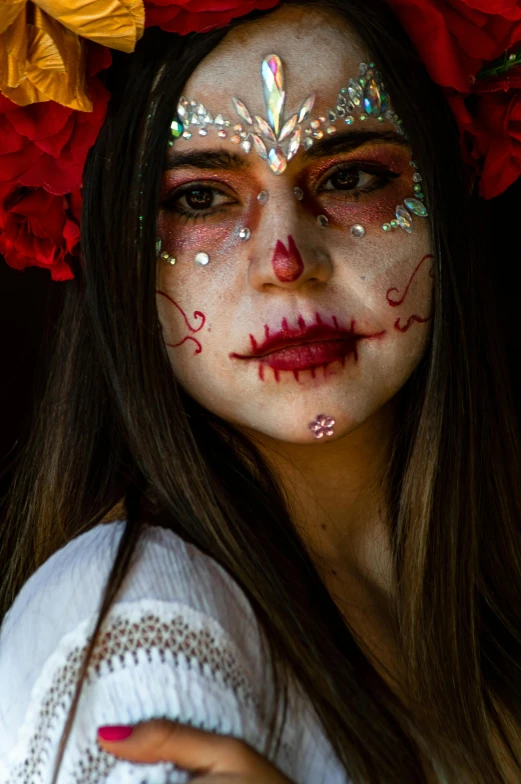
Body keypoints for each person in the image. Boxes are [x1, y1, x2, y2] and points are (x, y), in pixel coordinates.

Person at [0, 0, 520, 781]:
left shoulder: (489, 615)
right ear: (115, 253)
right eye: (199, 198)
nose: (284, 258)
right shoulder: (136, 636)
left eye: (349, 177)